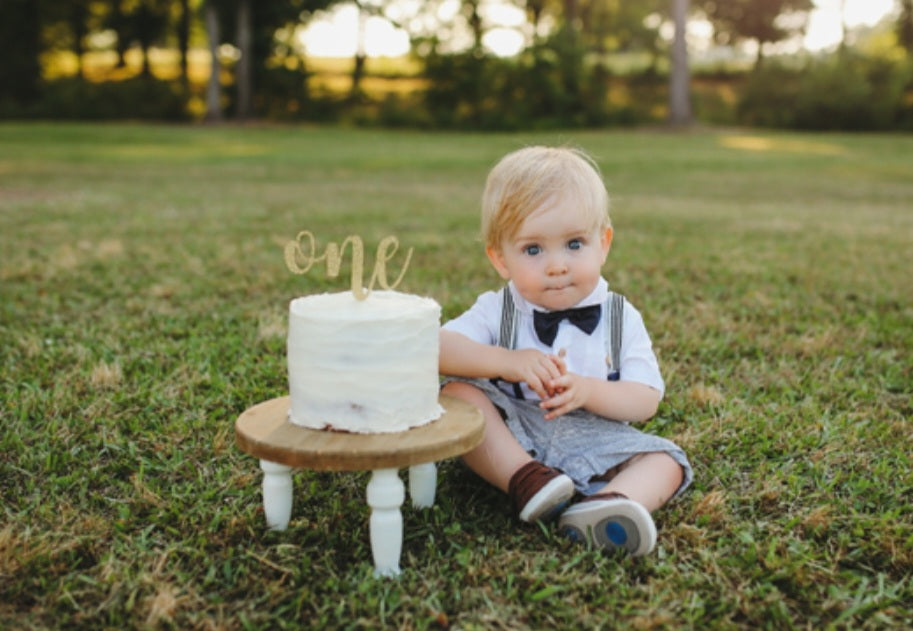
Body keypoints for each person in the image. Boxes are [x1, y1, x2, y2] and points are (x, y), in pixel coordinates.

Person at [439, 146, 692, 556]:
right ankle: (527, 480)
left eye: (575, 244)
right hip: (514, 429)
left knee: (667, 463)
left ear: (604, 243)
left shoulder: (619, 316)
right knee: (456, 397)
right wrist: (508, 362)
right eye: (533, 250)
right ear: (500, 258)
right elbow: (438, 348)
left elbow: (645, 398)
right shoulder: (497, 308)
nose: (557, 265)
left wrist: (590, 391)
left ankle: (607, 505)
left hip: (596, 436)